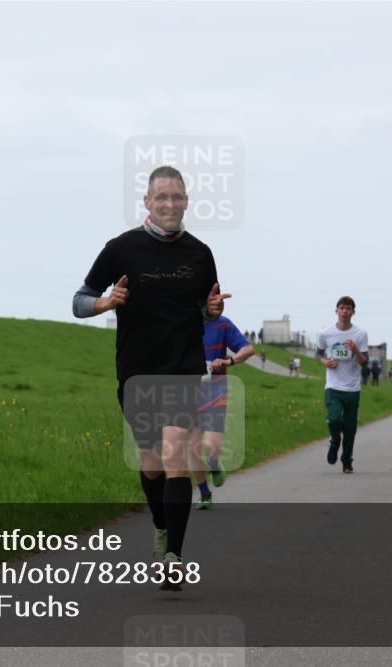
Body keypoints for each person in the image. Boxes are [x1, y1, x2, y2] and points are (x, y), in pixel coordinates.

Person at [72, 165, 227, 590]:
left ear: (187, 201)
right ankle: (160, 527)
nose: (170, 204)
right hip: (136, 372)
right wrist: (106, 303)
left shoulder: (200, 253)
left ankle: (174, 556)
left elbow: (206, 306)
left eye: (177, 197)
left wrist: (213, 311)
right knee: (152, 462)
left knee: (176, 454)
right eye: (162, 197)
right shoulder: (121, 249)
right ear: (147, 202)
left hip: (182, 368)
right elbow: (78, 301)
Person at [189, 315, 254, 510]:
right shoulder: (179, 320)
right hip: (184, 394)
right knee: (192, 448)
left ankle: (214, 462)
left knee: (211, 445)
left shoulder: (222, 324)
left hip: (215, 393)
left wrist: (229, 361)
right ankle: (204, 493)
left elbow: (248, 348)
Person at [317, 296, 369, 474]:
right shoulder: (326, 333)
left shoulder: (360, 334)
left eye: (348, 308)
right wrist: (325, 362)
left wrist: (355, 350)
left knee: (350, 428)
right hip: (333, 386)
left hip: (353, 387)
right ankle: (334, 441)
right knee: (334, 418)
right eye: (342, 308)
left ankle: (347, 461)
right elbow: (318, 354)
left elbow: (364, 362)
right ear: (336, 311)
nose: (345, 311)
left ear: (353, 312)